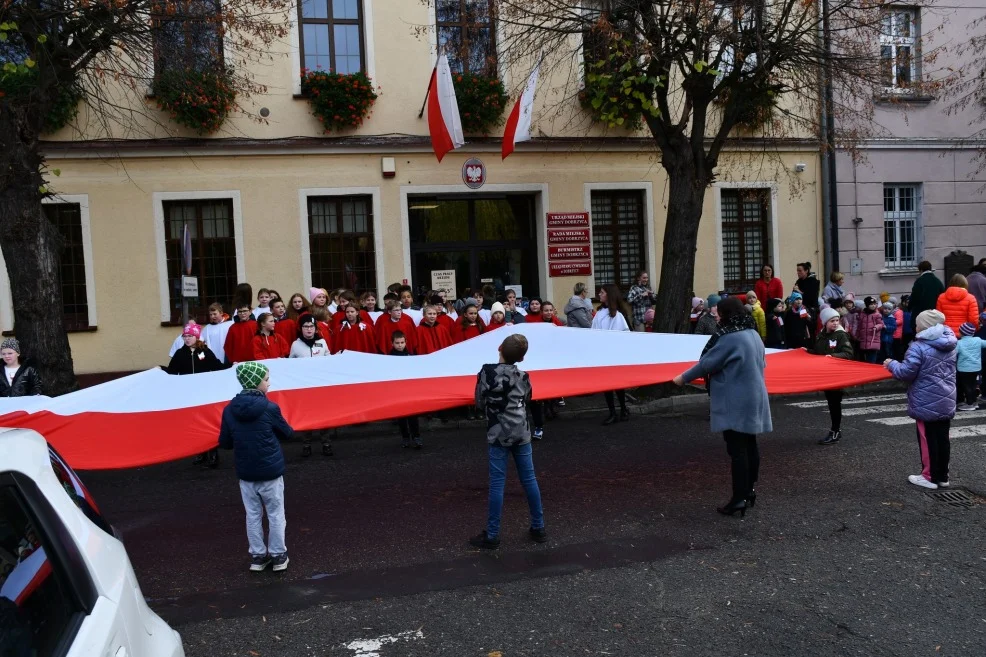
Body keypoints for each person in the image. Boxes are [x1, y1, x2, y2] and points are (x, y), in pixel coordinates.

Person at [672, 297, 771, 517]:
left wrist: (682, 378)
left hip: (735, 399)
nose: (716, 315)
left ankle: (738, 498)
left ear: (727, 314)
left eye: (719, 312)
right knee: (749, 444)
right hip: (754, 396)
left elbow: (708, 363)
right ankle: (749, 491)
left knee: (737, 450)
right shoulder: (752, 333)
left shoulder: (730, 337)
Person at [470, 334, 546, 549]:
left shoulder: (486, 372)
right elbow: (528, 399)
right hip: (522, 433)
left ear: (499, 348)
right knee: (529, 480)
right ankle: (538, 527)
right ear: (521, 359)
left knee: (497, 484)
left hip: (498, 434)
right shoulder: (523, 377)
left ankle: (492, 534)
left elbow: (478, 402)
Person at [218, 362, 294, 572]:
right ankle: (278, 556)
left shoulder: (229, 410)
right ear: (256, 382)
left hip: (246, 472)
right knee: (276, 513)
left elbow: (225, 442)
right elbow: (287, 433)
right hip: (270, 472)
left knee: (252, 514)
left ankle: (258, 557)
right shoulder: (270, 408)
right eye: (266, 379)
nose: (269, 383)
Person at [884, 310, 957, 490]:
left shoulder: (918, 347)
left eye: (917, 324)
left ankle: (929, 477)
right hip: (946, 398)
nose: (915, 327)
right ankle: (942, 476)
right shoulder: (951, 343)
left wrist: (891, 364)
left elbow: (906, 373)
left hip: (926, 400)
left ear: (924, 326)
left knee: (927, 438)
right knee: (943, 438)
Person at [808, 308, 855, 445]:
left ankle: (835, 431)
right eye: (832, 321)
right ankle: (835, 431)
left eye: (837, 320)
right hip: (825, 376)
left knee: (834, 404)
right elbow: (819, 352)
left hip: (836, 376)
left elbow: (848, 353)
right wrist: (807, 352)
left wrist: (833, 356)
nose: (835, 323)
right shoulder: (821, 335)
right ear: (825, 322)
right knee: (831, 403)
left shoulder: (841, 335)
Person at [288, 314, 333, 457]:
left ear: (315, 328)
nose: (308, 329)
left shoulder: (322, 342)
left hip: (321, 386)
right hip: (304, 387)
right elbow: (290, 364)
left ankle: (326, 443)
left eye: (311, 326)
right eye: (305, 327)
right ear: (301, 329)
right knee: (307, 415)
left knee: (324, 414)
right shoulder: (296, 345)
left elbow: (329, 360)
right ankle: (306, 444)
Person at [592, 284, 631, 425]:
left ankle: (623, 409)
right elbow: (594, 331)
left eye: (602, 293)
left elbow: (622, 335)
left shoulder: (618, 315)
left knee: (619, 384)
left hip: (614, 356)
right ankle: (612, 412)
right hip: (602, 355)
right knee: (606, 385)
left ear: (609, 295)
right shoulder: (599, 313)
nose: (599, 295)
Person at [390, 330, 423, 448]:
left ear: (406, 342)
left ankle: (416, 436)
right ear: (392, 343)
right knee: (402, 417)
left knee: (413, 416)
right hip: (398, 391)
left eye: (402, 342)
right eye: (397, 343)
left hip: (410, 390)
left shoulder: (410, 356)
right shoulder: (388, 358)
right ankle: (405, 437)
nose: (400, 345)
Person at [909, 261, 946, 334]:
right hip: (935, 314)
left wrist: (909, 308)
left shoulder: (919, 281)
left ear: (921, 270)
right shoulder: (938, 281)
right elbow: (942, 296)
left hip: (921, 314)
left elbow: (914, 297)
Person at [956, 323, 984, 411]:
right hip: (976, 368)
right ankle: (974, 402)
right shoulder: (978, 340)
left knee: (966, 386)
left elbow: (954, 353)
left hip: (964, 369)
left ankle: (970, 404)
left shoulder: (959, 343)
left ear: (962, 333)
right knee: (973, 385)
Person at [793, 262, 820, 339]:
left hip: (809, 309)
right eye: (797, 270)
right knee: (801, 329)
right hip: (800, 308)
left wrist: (799, 291)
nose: (798, 272)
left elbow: (811, 297)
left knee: (809, 330)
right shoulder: (799, 281)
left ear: (806, 271)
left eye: (800, 271)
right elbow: (794, 294)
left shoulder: (813, 282)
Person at [855, 296, 884, 363]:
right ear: (867, 305)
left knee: (871, 359)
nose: (873, 306)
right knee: (864, 360)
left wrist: (876, 327)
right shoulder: (862, 314)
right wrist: (857, 335)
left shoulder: (877, 314)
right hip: (864, 340)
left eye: (874, 304)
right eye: (871, 304)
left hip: (873, 340)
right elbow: (859, 326)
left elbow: (881, 324)